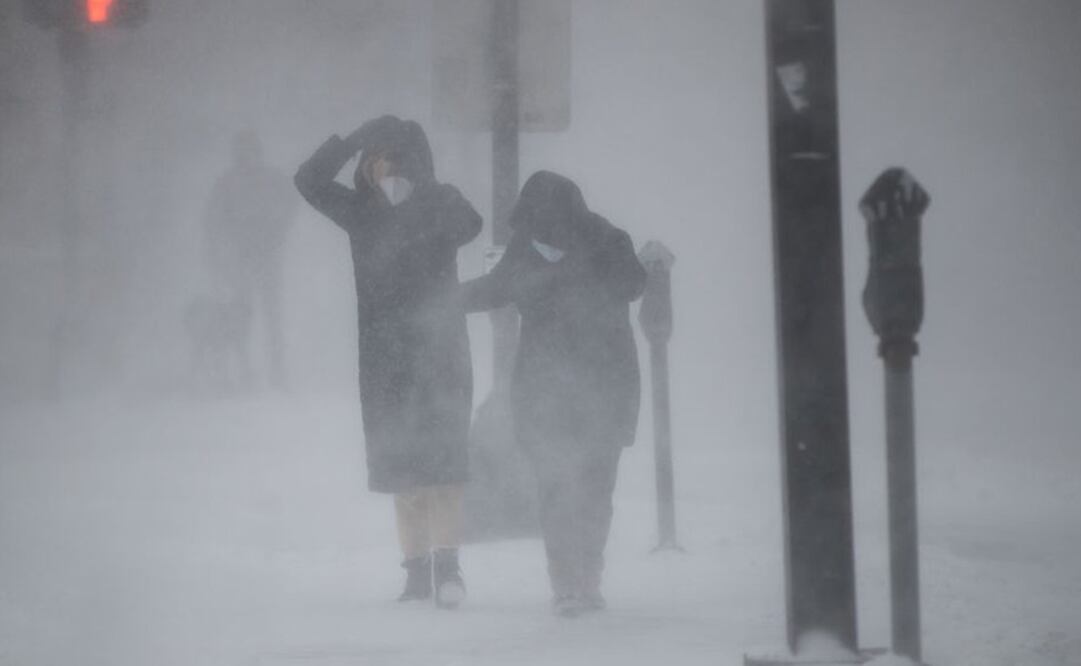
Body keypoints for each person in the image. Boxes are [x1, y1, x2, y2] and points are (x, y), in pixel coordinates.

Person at [294, 116, 482, 608]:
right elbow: (308, 181)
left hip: (441, 354)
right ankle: (417, 572)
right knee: (405, 474)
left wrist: (430, 189)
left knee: (444, 471)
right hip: (385, 359)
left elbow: (471, 224)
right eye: (374, 159)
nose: (385, 169)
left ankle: (448, 568)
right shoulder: (361, 212)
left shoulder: (440, 204)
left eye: (395, 159)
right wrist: (350, 139)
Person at [461, 171, 646, 617]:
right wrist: (436, 299)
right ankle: (566, 581)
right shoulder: (526, 248)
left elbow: (633, 284)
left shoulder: (607, 240)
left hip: (603, 387)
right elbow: (493, 289)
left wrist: (571, 268)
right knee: (555, 487)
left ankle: (588, 577)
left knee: (595, 489)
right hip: (545, 392)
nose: (540, 234)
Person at [203, 130, 296, 389]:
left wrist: (278, 232)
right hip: (239, 260)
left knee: (270, 317)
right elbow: (212, 220)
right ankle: (243, 372)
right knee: (239, 318)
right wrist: (216, 254)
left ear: (258, 152)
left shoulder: (271, 180)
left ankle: (277, 372)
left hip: (266, 259)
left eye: (250, 150)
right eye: (242, 150)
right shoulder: (227, 182)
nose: (246, 156)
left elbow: (290, 204)